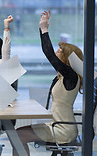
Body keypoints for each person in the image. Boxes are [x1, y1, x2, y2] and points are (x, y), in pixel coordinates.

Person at [13, 10, 83, 156]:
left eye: (59, 51)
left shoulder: (71, 76)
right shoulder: (64, 77)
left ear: (67, 57)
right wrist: (42, 28)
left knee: (18, 136)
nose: (56, 53)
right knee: (18, 134)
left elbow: (49, 54)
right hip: (57, 125)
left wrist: (44, 29)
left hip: (62, 129)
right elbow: (51, 54)